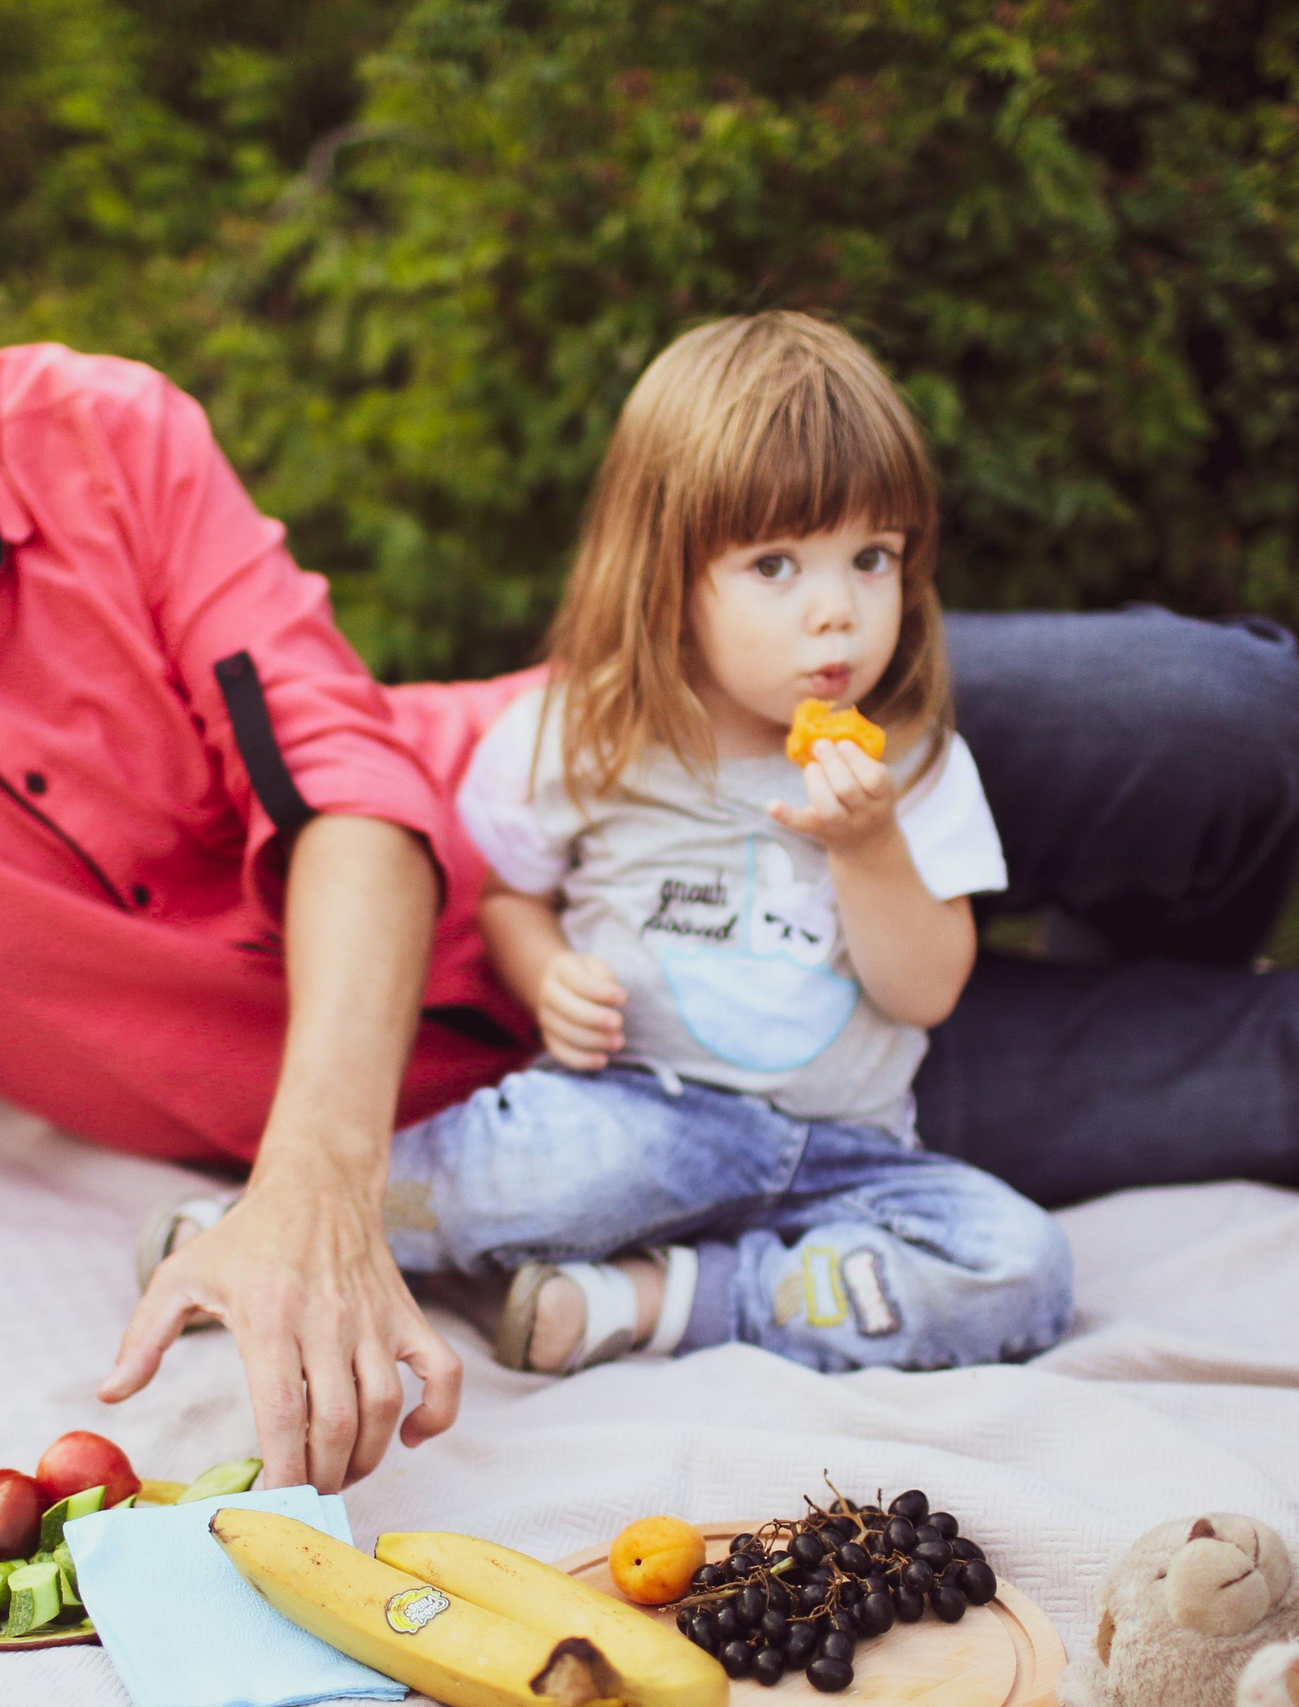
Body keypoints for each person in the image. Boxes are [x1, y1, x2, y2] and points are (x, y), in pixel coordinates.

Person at [0, 126, 1299, 1501]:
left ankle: (1096, 987)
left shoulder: (103, 434)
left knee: (1222, 714)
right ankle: (1128, 1046)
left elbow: (343, 782)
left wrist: (311, 1186)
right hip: (640, 1091)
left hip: (662, 765)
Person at [385, 312, 1073, 1377]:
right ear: (667, 576)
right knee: (543, 1173)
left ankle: (661, 1298)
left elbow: (926, 990)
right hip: (641, 1118)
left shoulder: (915, 763)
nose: (838, 612)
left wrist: (870, 846)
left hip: (844, 1156)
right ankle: (305, 1223)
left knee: (1020, 1265)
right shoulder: (586, 737)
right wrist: (547, 974)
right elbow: (509, 896)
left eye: (872, 557)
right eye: (775, 565)